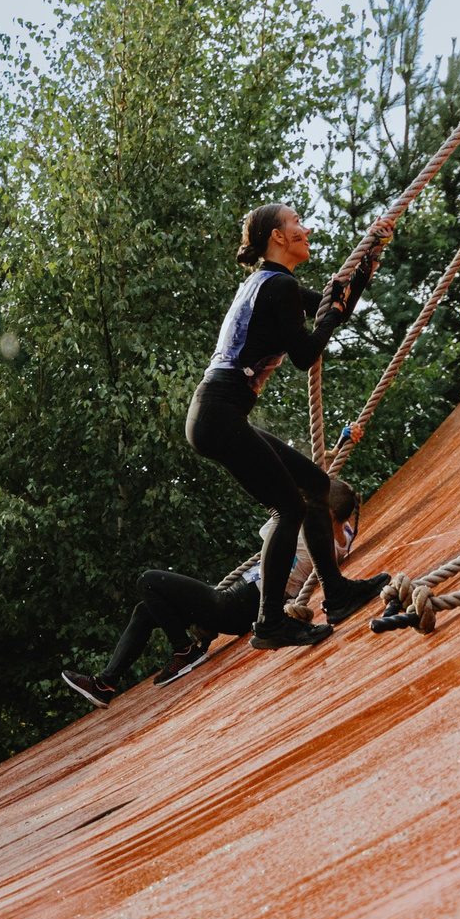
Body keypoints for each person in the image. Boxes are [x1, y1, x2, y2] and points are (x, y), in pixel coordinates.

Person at [187, 203, 393, 648]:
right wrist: (333, 316)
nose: (305, 228)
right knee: (290, 507)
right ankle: (269, 623)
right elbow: (306, 353)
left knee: (315, 485)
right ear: (277, 238)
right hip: (218, 413)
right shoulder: (278, 285)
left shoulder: (269, 283)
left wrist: (366, 264)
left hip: (216, 413)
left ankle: (336, 593)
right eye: (296, 222)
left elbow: (330, 309)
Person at [62, 481, 362, 708]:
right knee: (145, 610)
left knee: (149, 581)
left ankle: (184, 651)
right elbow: (341, 529)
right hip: (238, 601)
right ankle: (104, 684)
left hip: (243, 602)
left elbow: (279, 515)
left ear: (326, 512)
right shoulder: (338, 538)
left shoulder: (302, 527)